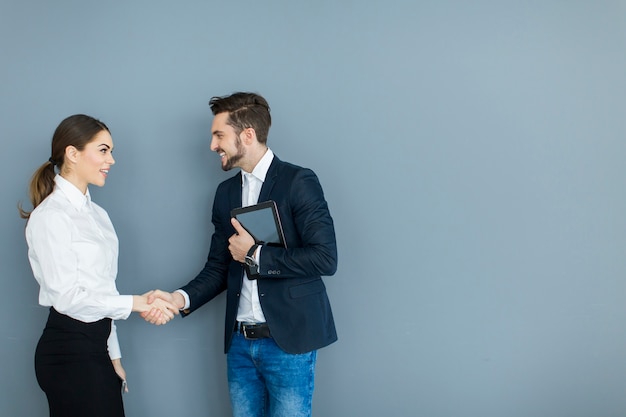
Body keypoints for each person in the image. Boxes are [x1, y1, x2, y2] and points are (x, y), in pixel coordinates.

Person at [143, 92, 338, 417]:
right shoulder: (226, 193)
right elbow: (218, 267)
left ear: (247, 134)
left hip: (288, 343)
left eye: (219, 135)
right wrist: (179, 299)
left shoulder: (298, 181)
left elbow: (324, 258)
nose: (212, 145)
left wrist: (255, 255)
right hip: (239, 345)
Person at [19, 114, 178, 417]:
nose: (112, 160)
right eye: (104, 150)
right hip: (67, 352)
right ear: (73, 153)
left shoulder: (99, 216)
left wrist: (113, 357)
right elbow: (68, 298)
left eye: (111, 151)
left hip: (96, 350)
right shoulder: (50, 216)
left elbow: (102, 291)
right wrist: (138, 303)